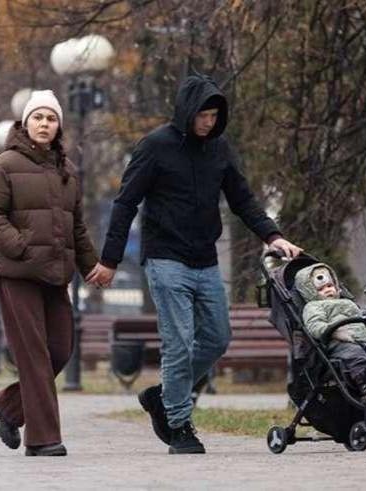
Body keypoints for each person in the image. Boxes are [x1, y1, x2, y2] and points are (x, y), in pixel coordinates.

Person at [88, 74, 302, 454]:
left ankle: (163, 396)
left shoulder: (219, 149)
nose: (208, 122)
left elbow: (242, 199)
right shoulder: (155, 146)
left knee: (217, 338)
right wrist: (110, 259)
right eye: (203, 115)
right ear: (187, 111)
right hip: (165, 258)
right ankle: (179, 426)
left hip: (205, 260)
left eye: (214, 116)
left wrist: (273, 236)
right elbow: (125, 203)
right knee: (179, 343)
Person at [0, 90, 102, 457]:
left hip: (55, 274)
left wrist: (91, 265)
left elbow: (76, 226)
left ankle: (9, 406)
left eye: (51, 119)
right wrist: (20, 246)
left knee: (60, 350)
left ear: (58, 126)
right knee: (33, 355)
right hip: (17, 272)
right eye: (38, 117)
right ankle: (43, 439)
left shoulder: (67, 171)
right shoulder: (4, 164)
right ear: (25, 123)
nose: (44, 124)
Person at [294, 263, 366, 402]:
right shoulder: (313, 307)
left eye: (330, 286)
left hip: (365, 340)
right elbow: (314, 326)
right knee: (356, 357)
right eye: (321, 289)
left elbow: (360, 316)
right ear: (310, 292)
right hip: (339, 343)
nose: (327, 290)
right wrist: (334, 331)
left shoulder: (347, 302)